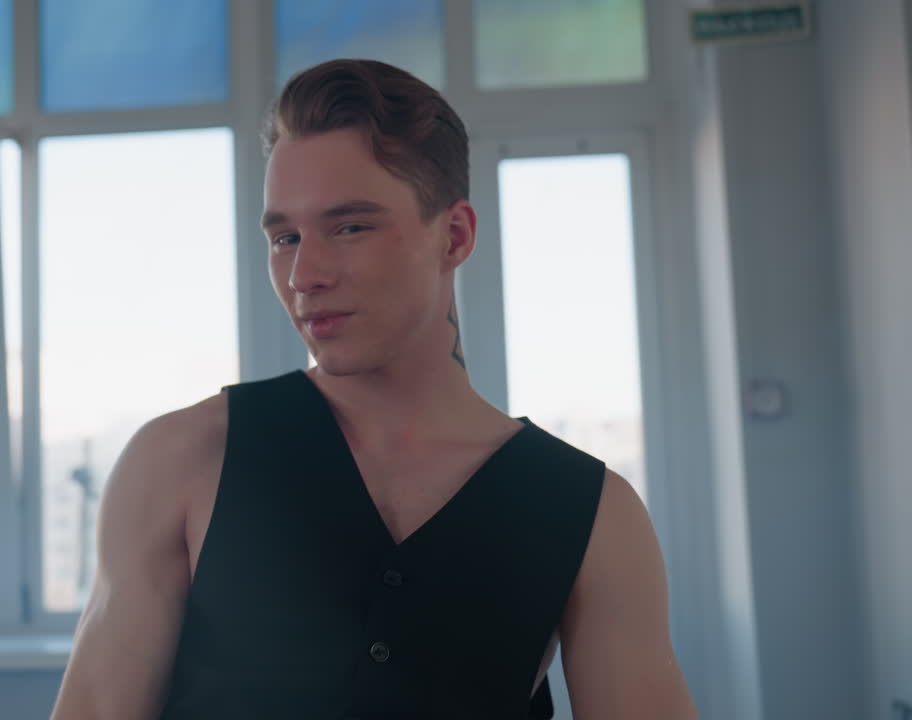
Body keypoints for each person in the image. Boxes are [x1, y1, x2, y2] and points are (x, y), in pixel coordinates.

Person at [49, 59, 698, 719]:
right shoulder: (180, 462)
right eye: (285, 237)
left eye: (350, 227)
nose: (304, 274)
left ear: (454, 235)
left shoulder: (590, 513)